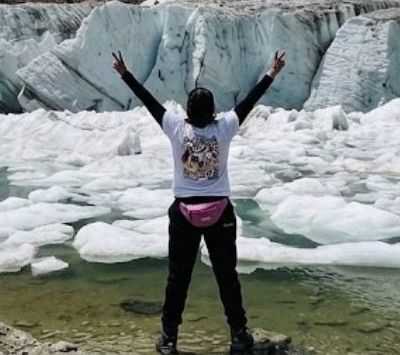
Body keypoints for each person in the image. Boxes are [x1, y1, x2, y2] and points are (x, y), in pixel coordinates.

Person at [111, 50, 287, 355]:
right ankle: (239, 336)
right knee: (226, 276)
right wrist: (271, 73)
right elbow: (249, 102)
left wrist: (125, 73)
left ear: (188, 111)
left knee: (178, 277)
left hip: (184, 212)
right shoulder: (225, 127)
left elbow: (149, 101)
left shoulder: (176, 128)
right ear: (213, 110)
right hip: (220, 212)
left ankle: (168, 339)